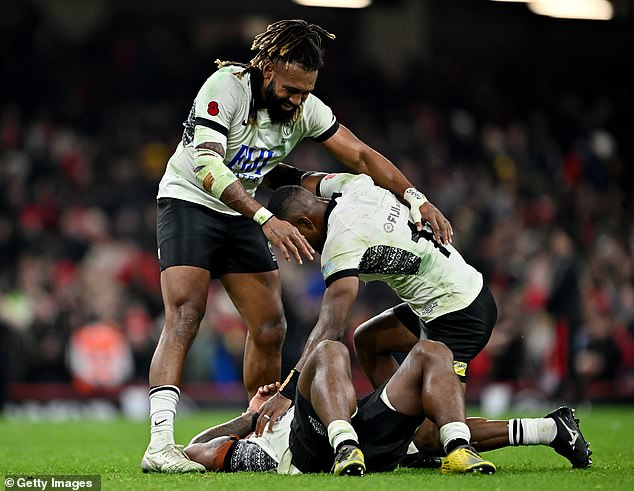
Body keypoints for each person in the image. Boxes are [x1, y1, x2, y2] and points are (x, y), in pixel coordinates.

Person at [143, 19, 453, 473]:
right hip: (190, 201)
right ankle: (160, 444)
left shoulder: (304, 107)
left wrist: (415, 196)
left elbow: (362, 155)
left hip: (243, 211)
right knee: (186, 314)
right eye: (291, 88)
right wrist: (265, 218)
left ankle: (263, 432)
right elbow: (206, 163)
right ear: (267, 69)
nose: (298, 99)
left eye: (306, 90)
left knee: (270, 326)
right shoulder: (225, 88)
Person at [258, 171, 591, 469]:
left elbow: (330, 328)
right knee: (368, 339)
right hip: (448, 294)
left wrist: (287, 391)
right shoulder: (351, 186)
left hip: (458, 314)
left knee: (434, 436)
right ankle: (402, 421)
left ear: (305, 224)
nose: (302, 248)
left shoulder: (339, 245)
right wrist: (251, 172)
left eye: (294, 238)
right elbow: (300, 176)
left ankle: (550, 430)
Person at [184, 338, 496, 475]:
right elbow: (194, 450)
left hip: (361, 437)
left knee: (432, 351)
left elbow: (199, 447)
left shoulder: (267, 431)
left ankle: (458, 447)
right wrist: (251, 417)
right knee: (329, 350)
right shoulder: (259, 447)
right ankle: (345, 445)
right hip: (315, 448)